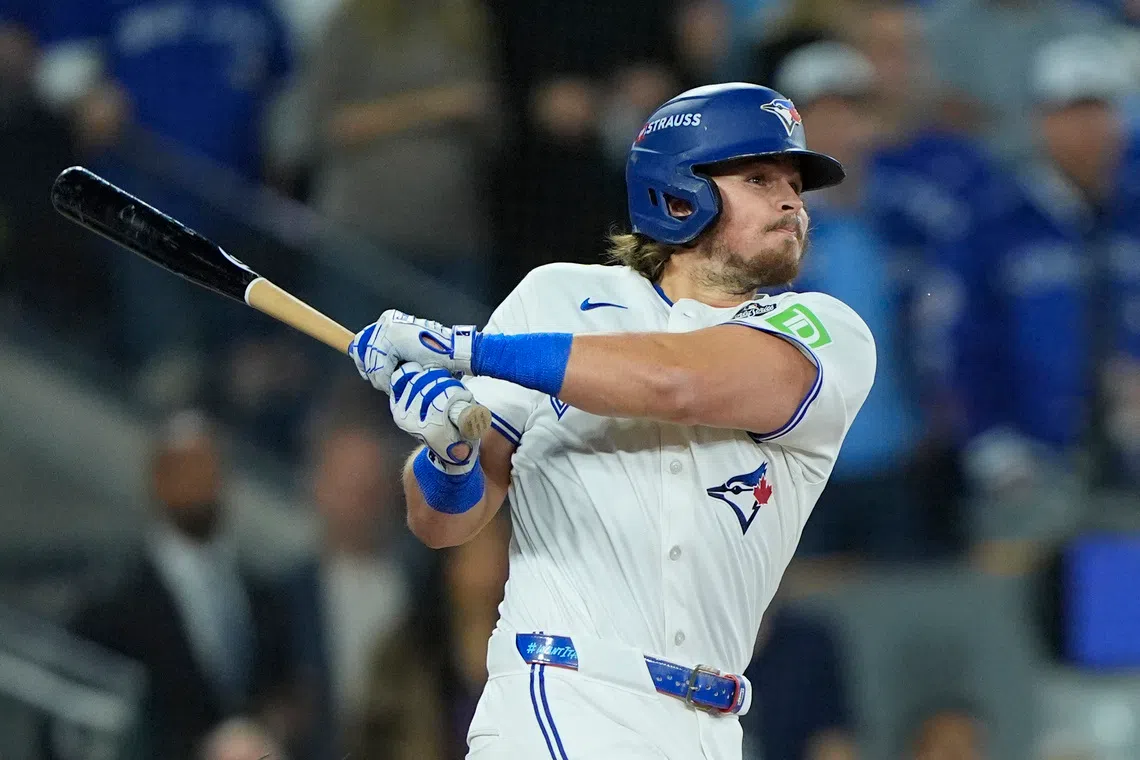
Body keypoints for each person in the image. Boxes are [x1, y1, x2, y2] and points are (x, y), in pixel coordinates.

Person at [348, 82, 876, 759]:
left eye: (795, 186)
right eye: (759, 179)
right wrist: (448, 455)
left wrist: (466, 348)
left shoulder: (827, 330)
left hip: (711, 724)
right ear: (679, 194)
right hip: (564, 692)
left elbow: (674, 380)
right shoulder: (557, 297)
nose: (791, 202)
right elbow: (442, 524)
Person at [55, 410, 295, 760]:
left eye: (208, 467)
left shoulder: (263, 599)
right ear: (156, 479)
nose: (198, 482)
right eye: (184, 469)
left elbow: (281, 694)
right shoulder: (113, 606)